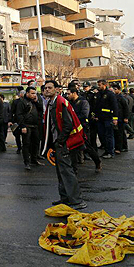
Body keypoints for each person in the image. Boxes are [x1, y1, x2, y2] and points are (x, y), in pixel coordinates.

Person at [42, 80, 87, 210]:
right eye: (45, 88)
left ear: (57, 89)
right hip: (60, 143)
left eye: (50, 88)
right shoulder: (52, 103)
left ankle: (76, 201)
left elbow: (68, 125)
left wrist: (60, 142)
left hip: (66, 143)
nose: (47, 90)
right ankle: (65, 198)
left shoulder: (60, 102)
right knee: (61, 171)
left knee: (67, 172)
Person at [68, 88, 102, 173]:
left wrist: (73, 119)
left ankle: (97, 162)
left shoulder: (83, 102)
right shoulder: (70, 103)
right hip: (73, 129)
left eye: (69, 94)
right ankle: (74, 169)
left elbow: (84, 115)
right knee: (73, 149)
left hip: (82, 128)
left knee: (87, 147)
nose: (67, 95)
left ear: (74, 93)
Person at [15, 87, 44, 170]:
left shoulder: (34, 102)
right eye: (32, 93)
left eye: (34, 93)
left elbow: (41, 109)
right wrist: (22, 126)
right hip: (26, 126)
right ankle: (26, 162)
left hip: (35, 126)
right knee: (26, 144)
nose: (34, 95)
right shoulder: (22, 102)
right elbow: (19, 115)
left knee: (36, 143)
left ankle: (34, 159)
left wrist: (36, 102)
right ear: (27, 93)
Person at [94, 79, 119, 159]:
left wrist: (115, 118)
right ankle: (106, 150)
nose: (98, 86)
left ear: (104, 85)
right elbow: (96, 106)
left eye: (100, 85)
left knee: (109, 135)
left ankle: (110, 152)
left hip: (108, 118)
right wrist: (96, 115)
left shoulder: (110, 94)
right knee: (102, 135)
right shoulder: (98, 94)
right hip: (100, 118)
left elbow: (115, 107)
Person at [112, 84, 129, 154]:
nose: (114, 90)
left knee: (119, 133)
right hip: (118, 117)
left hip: (121, 118)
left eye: (115, 89)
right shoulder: (115, 97)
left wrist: (126, 117)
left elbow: (126, 108)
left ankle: (119, 148)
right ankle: (124, 146)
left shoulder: (121, 98)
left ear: (119, 90)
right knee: (121, 133)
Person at [10, 89, 25, 153]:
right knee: (17, 135)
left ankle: (24, 148)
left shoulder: (27, 101)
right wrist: (11, 120)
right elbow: (12, 111)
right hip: (16, 121)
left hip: (24, 121)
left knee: (25, 136)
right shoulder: (15, 102)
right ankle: (19, 147)